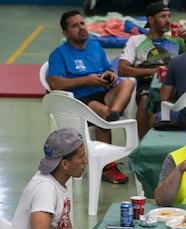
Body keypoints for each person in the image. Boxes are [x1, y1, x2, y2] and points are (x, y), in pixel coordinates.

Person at [48, 10, 133, 184]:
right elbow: (55, 84)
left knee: (128, 83)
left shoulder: (95, 47)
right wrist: (85, 80)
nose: (81, 28)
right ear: (66, 33)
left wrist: (110, 75)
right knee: (98, 109)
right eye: (74, 26)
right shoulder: (59, 54)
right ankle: (108, 166)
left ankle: (113, 112)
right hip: (78, 100)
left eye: (82, 23)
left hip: (102, 92)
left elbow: (107, 68)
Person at [118, 1, 186, 139]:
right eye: (163, 16)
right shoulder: (136, 41)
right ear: (150, 19)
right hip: (148, 84)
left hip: (172, 84)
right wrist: (153, 71)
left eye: (168, 16)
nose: (167, 20)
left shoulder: (177, 41)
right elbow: (122, 69)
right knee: (145, 100)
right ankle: (142, 145)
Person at [12, 128, 88, 229]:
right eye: (81, 157)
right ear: (65, 164)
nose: (86, 160)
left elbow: (63, 221)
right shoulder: (45, 190)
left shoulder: (57, 180)